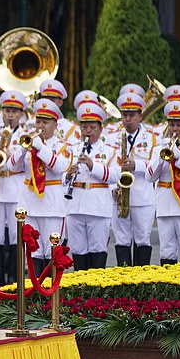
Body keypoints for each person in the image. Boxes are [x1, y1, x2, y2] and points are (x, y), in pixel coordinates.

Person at [6, 99, 71, 276]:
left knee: (52, 253)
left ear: (55, 124)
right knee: (34, 252)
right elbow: (11, 167)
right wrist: (22, 150)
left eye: (46, 122)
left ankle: (53, 297)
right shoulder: (29, 143)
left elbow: (60, 167)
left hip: (52, 206)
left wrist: (40, 147)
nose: (41, 126)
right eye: (38, 121)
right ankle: (35, 295)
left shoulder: (62, 146)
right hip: (30, 205)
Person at [64, 103, 120, 271]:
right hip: (75, 205)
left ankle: (96, 293)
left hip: (98, 206)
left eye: (92, 127)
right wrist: (67, 175)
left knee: (98, 250)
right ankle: (80, 293)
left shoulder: (110, 150)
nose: (88, 131)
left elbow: (115, 176)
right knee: (78, 250)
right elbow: (61, 175)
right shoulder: (72, 149)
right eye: (84, 127)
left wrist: (92, 165)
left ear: (100, 129)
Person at [146, 101, 180, 264]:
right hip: (165, 206)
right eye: (172, 125)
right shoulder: (159, 148)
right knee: (166, 253)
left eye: (179, 125)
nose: (175, 129)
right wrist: (161, 158)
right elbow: (149, 177)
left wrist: (178, 156)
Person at [0, 90, 28, 285]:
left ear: (21, 113)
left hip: (16, 187)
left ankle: (14, 276)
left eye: (14, 111)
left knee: (15, 234)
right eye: (6, 110)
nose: (10, 114)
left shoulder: (26, 137)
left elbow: (20, 164)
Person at [110, 93, 157, 266]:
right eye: (124, 115)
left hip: (143, 197)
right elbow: (107, 164)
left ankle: (141, 285)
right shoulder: (111, 138)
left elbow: (155, 165)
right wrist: (111, 188)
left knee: (143, 239)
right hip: (120, 196)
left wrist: (136, 165)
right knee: (121, 239)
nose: (127, 119)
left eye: (131, 115)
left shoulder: (152, 138)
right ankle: (124, 284)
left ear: (140, 115)